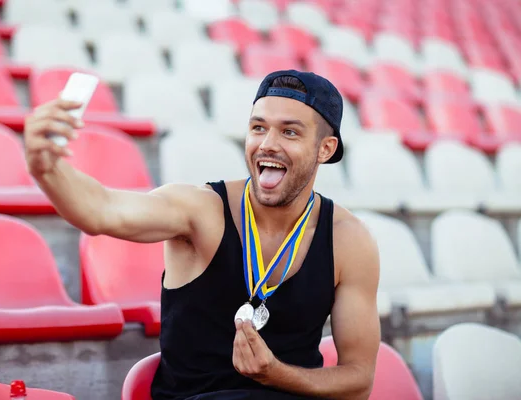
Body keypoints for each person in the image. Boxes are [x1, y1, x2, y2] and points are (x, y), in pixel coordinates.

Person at [23, 70, 381, 400]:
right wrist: (46, 168)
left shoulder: (348, 240)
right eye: (258, 128)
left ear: (325, 149)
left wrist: (278, 375)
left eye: (289, 132)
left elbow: (359, 380)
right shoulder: (199, 209)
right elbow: (100, 211)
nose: (267, 144)